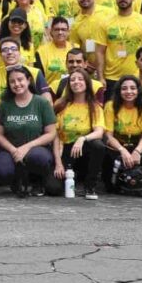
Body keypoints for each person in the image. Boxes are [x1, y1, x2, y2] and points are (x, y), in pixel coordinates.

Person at [0, 66, 58, 197]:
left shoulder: (42, 103)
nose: (17, 84)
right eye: (12, 81)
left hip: (36, 148)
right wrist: (13, 150)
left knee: (39, 158)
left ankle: (36, 180)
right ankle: (17, 179)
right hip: (11, 149)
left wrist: (26, 147)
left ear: (28, 80)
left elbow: (51, 133)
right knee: (2, 171)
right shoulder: (5, 105)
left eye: (20, 79)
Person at [51, 67, 106, 199]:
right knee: (53, 188)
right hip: (65, 148)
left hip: (84, 148)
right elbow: (55, 135)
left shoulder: (95, 107)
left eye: (80, 79)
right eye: (73, 80)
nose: (76, 82)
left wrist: (82, 139)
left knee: (98, 145)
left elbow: (99, 132)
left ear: (87, 83)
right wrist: (58, 163)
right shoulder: (60, 104)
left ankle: (90, 186)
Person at [94, 0, 142, 95]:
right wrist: (100, 77)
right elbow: (99, 52)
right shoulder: (104, 22)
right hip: (111, 79)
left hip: (137, 78)